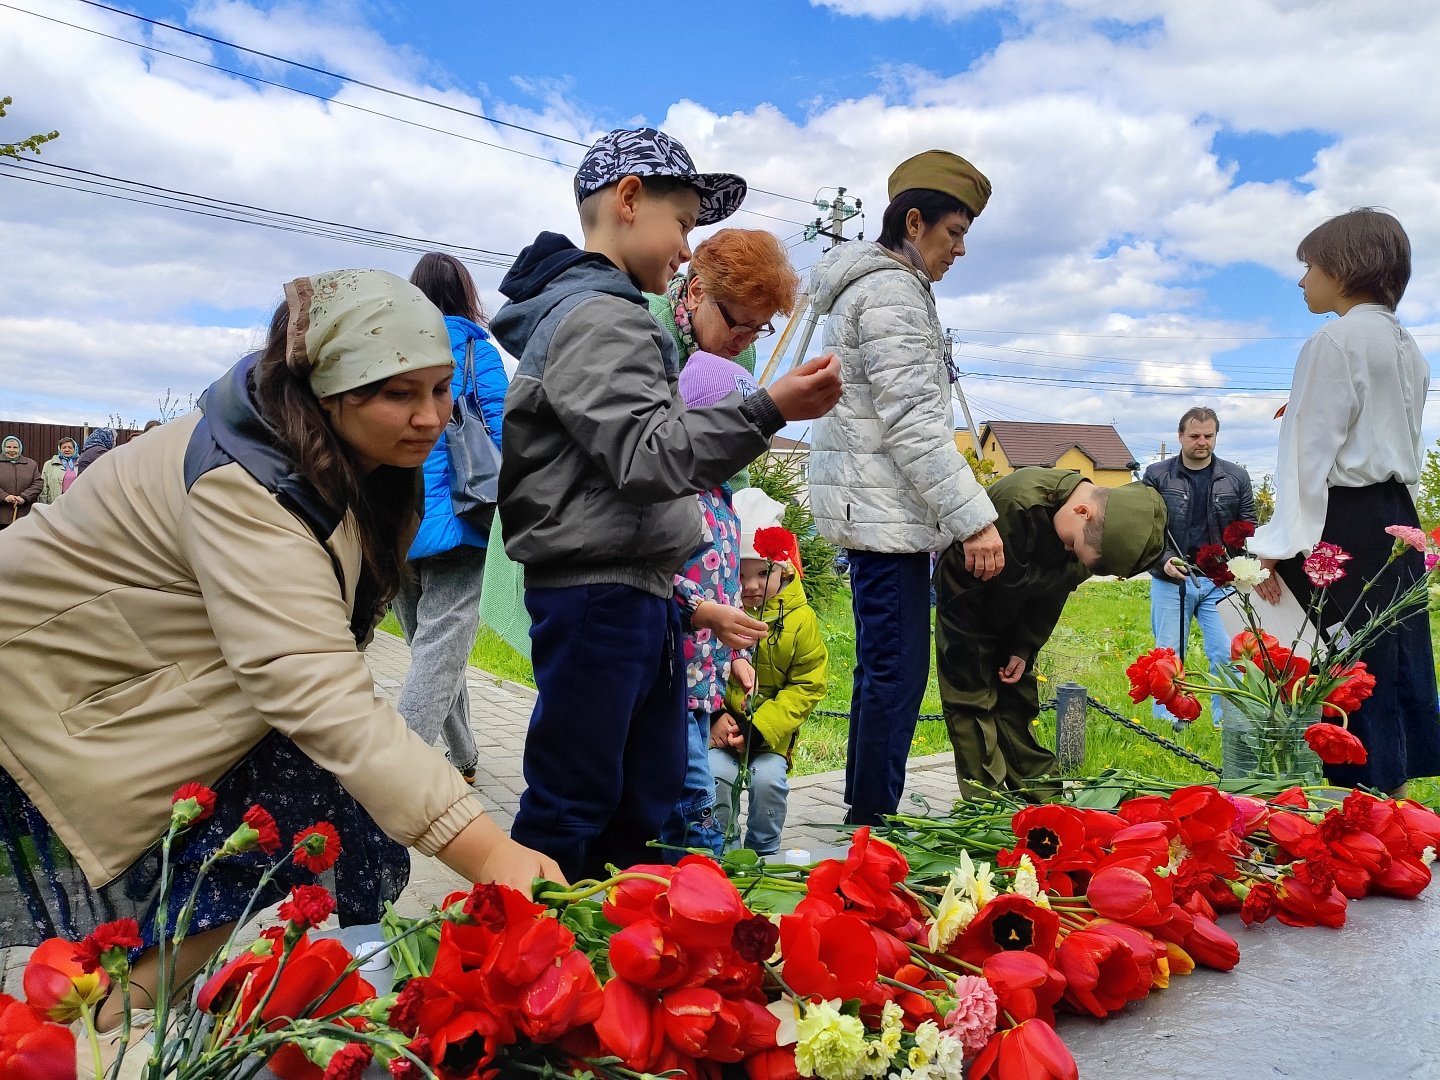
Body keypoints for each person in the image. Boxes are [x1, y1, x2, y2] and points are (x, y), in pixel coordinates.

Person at [0, 269, 560, 1025]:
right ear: (328, 391)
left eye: (440, 390)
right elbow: (318, 692)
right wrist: (490, 853)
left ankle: (132, 1004)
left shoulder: (340, 455)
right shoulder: (249, 482)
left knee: (305, 804)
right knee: (297, 791)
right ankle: (98, 1023)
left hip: (159, 670)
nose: (431, 418)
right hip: (54, 677)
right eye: (400, 393)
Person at [490, 126, 842, 881]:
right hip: (596, 593)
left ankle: (617, 945)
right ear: (627, 201)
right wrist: (767, 410)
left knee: (638, 799)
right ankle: (525, 957)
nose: (687, 247)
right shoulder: (600, 318)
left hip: (637, 589)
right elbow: (647, 455)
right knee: (575, 796)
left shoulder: (614, 314)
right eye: (682, 224)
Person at [807, 149, 1004, 826]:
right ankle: (872, 825)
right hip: (886, 513)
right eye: (953, 233)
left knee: (884, 672)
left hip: (881, 508)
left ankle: (867, 814)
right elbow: (915, 427)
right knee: (894, 676)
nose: (960, 249)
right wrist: (976, 520)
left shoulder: (892, 288)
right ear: (913, 223)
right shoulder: (892, 293)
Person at [1251, 208, 1440, 795]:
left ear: (1343, 267)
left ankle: (1354, 809)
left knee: (1346, 668)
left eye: (1309, 265)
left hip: (1345, 522)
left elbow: (1308, 455)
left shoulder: (1333, 341)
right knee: (1394, 660)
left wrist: (1278, 545)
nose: (1302, 279)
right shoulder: (1408, 347)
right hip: (1396, 520)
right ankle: (1396, 807)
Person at [935, 469, 1166, 799]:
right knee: (971, 704)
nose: (1070, 553)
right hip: (967, 608)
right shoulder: (1015, 506)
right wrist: (972, 652)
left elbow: (1053, 592)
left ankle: (1042, 801)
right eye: (1072, 546)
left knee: (1017, 703)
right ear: (1082, 511)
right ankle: (986, 807)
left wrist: (1023, 647)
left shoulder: (1089, 540)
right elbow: (961, 583)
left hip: (1016, 617)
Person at [392, 252, 509, 786]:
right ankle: (398, 773)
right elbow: (506, 431)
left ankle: (462, 758)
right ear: (466, 296)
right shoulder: (474, 349)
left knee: (431, 647)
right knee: (439, 650)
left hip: (397, 515)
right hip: (464, 512)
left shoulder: (393, 348)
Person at [660, 353, 769, 858]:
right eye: (735, 433)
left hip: (704, 684)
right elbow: (659, 575)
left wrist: (737, 657)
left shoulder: (722, 499)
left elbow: (725, 588)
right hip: (671, 678)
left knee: (680, 796)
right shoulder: (674, 491)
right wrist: (702, 611)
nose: (744, 449)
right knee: (694, 803)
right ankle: (700, 883)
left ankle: (675, 886)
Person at [710, 497, 827, 857]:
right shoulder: (716, 614)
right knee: (716, 778)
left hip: (770, 734)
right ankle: (722, 849)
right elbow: (702, 667)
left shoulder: (800, 619)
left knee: (768, 781)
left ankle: (763, 850)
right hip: (721, 728)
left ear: (785, 570)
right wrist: (715, 718)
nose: (752, 586)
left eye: (764, 573)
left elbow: (808, 683)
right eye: (740, 575)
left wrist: (760, 729)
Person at [1143, 407, 1256, 728]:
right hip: (1170, 579)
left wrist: (1242, 566)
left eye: (1209, 435)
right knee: (1169, 655)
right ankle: (1168, 720)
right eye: (1194, 436)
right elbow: (1145, 528)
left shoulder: (1236, 477)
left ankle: (1229, 720)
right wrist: (1162, 560)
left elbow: (1248, 525)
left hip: (1221, 581)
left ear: (1216, 436)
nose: (1202, 442)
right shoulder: (1157, 475)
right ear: (1180, 436)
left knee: (1227, 653)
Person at [0, 436, 43, 528]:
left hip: (25, 514)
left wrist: (23, 497)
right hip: (2, 514)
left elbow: (38, 483)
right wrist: (4, 496)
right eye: (8, 447)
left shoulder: (31, 464)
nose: (12, 450)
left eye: (15, 447)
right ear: (3, 448)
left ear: (20, 448)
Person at [39, 436, 81, 504]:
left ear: (75, 449)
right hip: (56, 504)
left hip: (76, 504)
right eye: (64, 447)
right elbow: (44, 487)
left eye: (70, 447)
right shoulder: (50, 464)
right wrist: (44, 505)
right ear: (59, 449)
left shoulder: (81, 463)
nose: (67, 450)